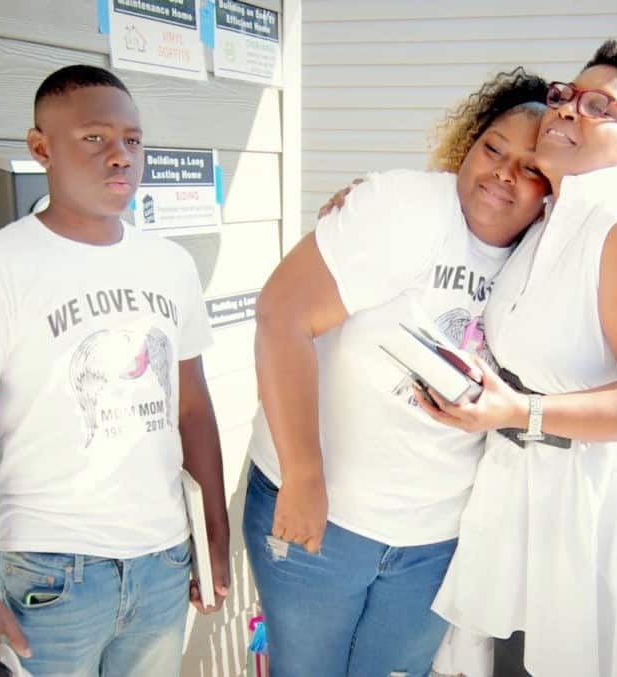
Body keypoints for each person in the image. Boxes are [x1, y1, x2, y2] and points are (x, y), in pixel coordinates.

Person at [416, 40, 617, 676]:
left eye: (598, 106)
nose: (565, 110)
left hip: (597, 513)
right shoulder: (555, 212)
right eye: (565, 96)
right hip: (525, 496)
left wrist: (521, 411)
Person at [243, 70, 550, 677]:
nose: (504, 174)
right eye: (493, 148)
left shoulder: (549, 255)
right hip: (324, 518)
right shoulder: (403, 206)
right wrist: (304, 477)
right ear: (469, 144)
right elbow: (282, 314)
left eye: (532, 167)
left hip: (435, 540)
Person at [0, 65, 230, 677]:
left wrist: (213, 538)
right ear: (42, 147)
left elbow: (192, 408)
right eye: (95, 138)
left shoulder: (169, 264)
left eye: (134, 140)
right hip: (49, 574)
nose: (121, 156)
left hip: (162, 560)